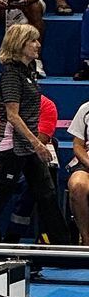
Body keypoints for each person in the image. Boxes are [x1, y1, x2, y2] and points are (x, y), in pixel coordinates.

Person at [0, 23, 67, 244]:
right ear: (19, 44)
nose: (38, 44)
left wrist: (33, 145)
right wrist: (37, 144)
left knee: (47, 194)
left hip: (26, 147)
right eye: (32, 40)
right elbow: (12, 116)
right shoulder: (11, 75)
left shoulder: (28, 72)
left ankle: (63, 245)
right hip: (13, 147)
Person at [0, 90, 59, 238]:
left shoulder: (46, 105)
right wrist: (24, 130)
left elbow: (41, 138)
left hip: (29, 162)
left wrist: (4, 128)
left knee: (32, 184)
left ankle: (14, 233)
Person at [65, 99, 89, 243]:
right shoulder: (86, 108)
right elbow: (78, 145)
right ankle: (86, 240)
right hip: (87, 163)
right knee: (77, 186)